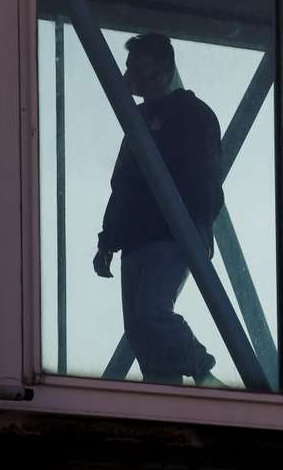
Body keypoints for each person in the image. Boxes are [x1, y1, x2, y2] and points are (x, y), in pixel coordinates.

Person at [93, 33, 225, 387]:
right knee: (138, 327)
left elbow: (205, 176)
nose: (130, 76)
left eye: (138, 67)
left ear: (164, 69)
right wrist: (108, 239)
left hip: (170, 235)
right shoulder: (139, 118)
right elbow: (123, 183)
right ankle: (168, 392)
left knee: (150, 313)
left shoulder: (191, 115)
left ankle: (200, 368)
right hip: (138, 238)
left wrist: (201, 224)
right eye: (129, 67)